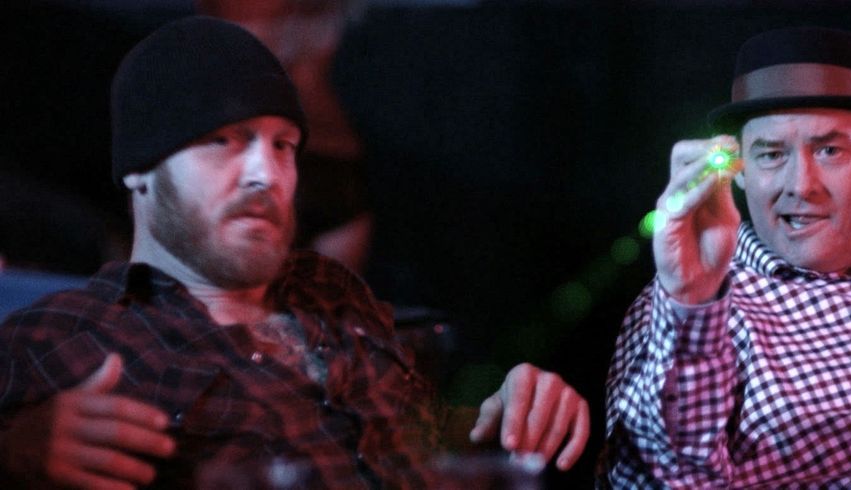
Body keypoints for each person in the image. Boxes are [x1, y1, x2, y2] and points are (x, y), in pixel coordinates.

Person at [0, 16, 588, 489]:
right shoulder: (65, 336)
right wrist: (13, 453)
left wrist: (498, 416)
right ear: (139, 171)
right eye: (223, 140)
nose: (268, 173)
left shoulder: (332, 292)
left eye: (283, 145)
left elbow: (417, 441)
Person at [598, 26, 851, 488]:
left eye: (828, 150)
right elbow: (650, 482)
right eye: (771, 155)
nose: (800, 185)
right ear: (739, 170)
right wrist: (692, 304)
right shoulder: (683, 312)